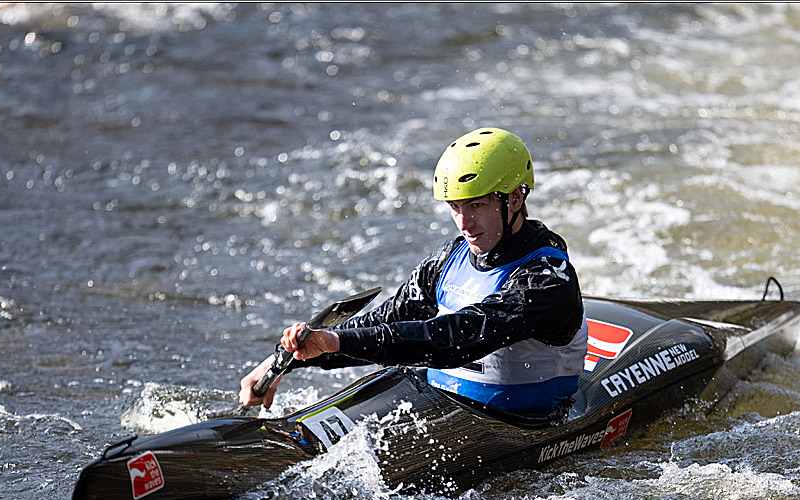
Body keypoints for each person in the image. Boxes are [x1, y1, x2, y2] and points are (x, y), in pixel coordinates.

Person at [239, 127, 588, 417]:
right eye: (455, 207)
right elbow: (384, 321)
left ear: (513, 199)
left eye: (477, 205)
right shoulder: (448, 258)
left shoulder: (548, 278)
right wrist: (286, 360)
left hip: (523, 424)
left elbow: (456, 337)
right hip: (444, 407)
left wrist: (336, 342)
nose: (465, 223)